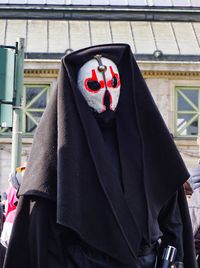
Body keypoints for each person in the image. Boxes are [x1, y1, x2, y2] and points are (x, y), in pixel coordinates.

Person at [3, 44, 197, 268]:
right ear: (79, 90)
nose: (107, 94)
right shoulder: (62, 153)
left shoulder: (147, 144)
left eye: (113, 83)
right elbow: (43, 230)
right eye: (94, 85)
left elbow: (172, 218)